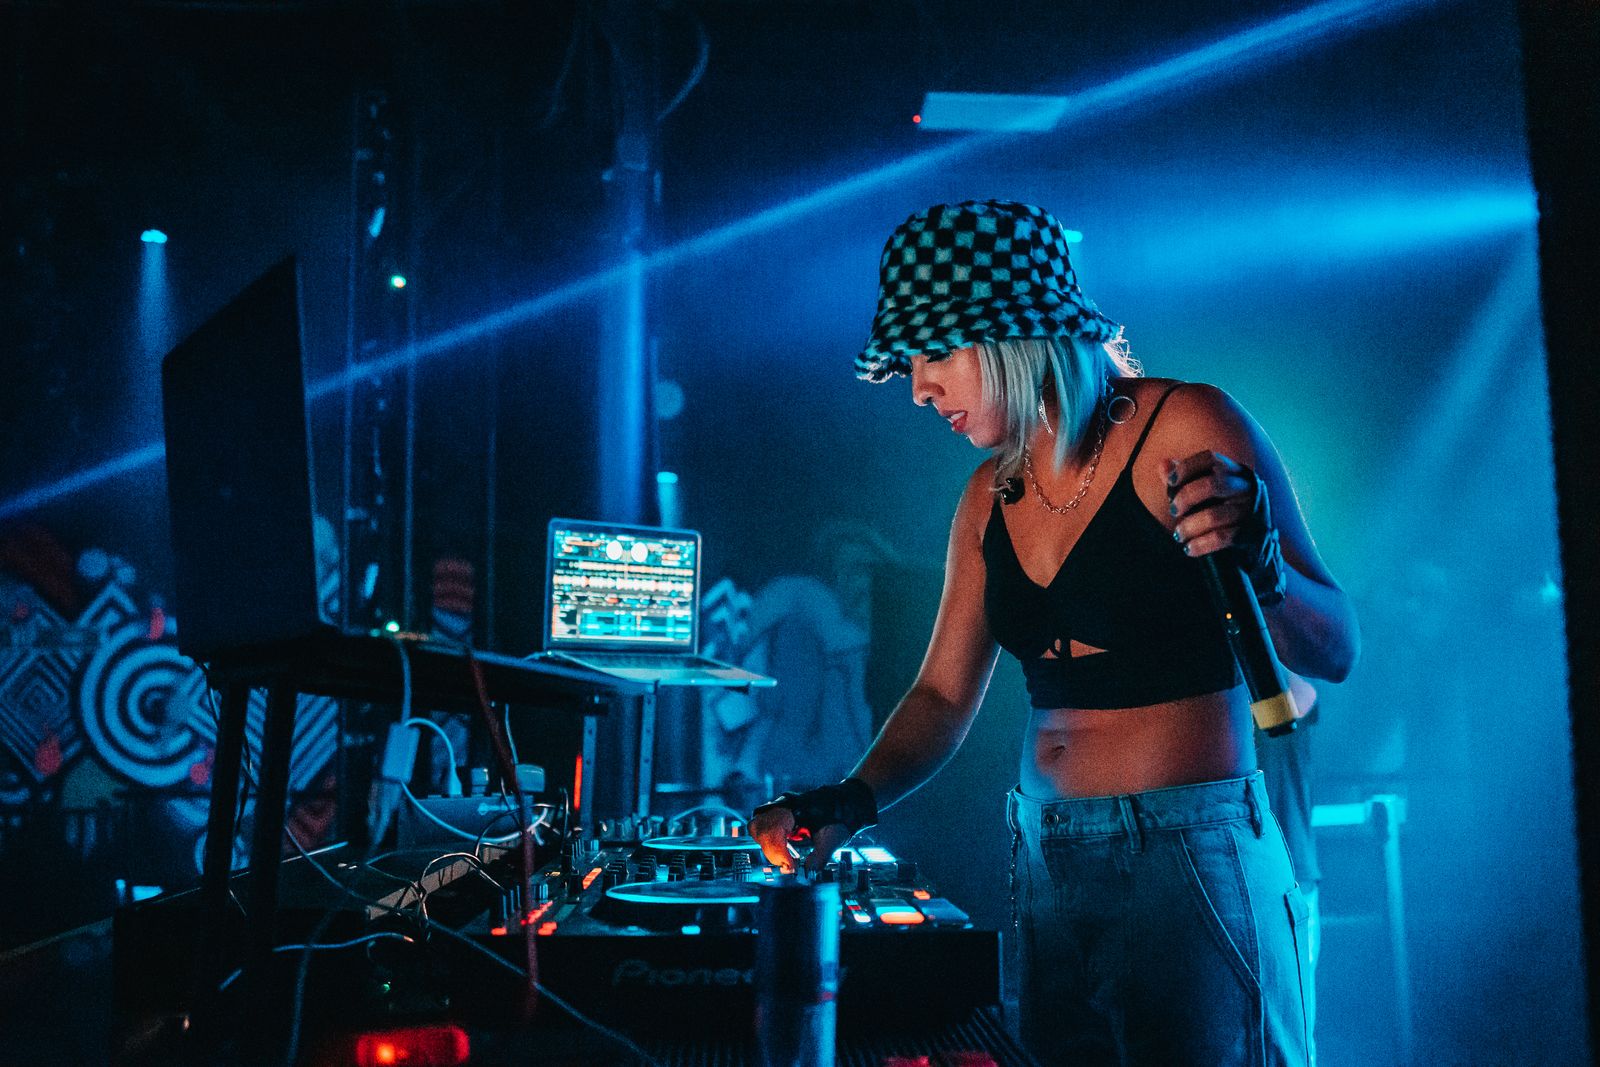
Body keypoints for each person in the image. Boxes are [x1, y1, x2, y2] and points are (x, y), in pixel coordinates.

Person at [750, 200, 1359, 1066]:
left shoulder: (1187, 423)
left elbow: (1337, 649)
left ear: (1007, 328)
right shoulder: (985, 497)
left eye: (932, 354)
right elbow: (940, 696)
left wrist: (1263, 568)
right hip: (1044, 859)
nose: (918, 388)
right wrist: (844, 803)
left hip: (1191, 857)